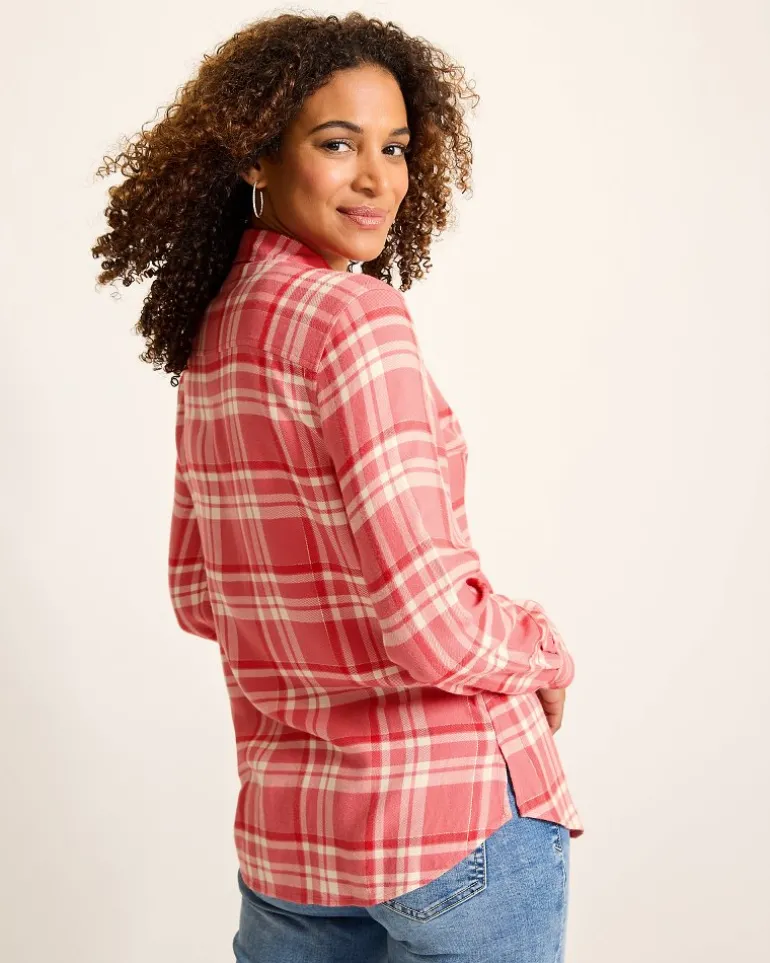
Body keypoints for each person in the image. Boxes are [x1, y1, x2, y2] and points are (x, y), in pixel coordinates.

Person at [92, 11, 583, 962]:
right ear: (256, 154)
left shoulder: (217, 332)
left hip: (293, 839)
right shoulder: (357, 318)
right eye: (337, 143)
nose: (378, 179)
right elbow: (432, 626)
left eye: (394, 147)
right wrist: (545, 650)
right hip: (450, 823)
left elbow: (198, 594)